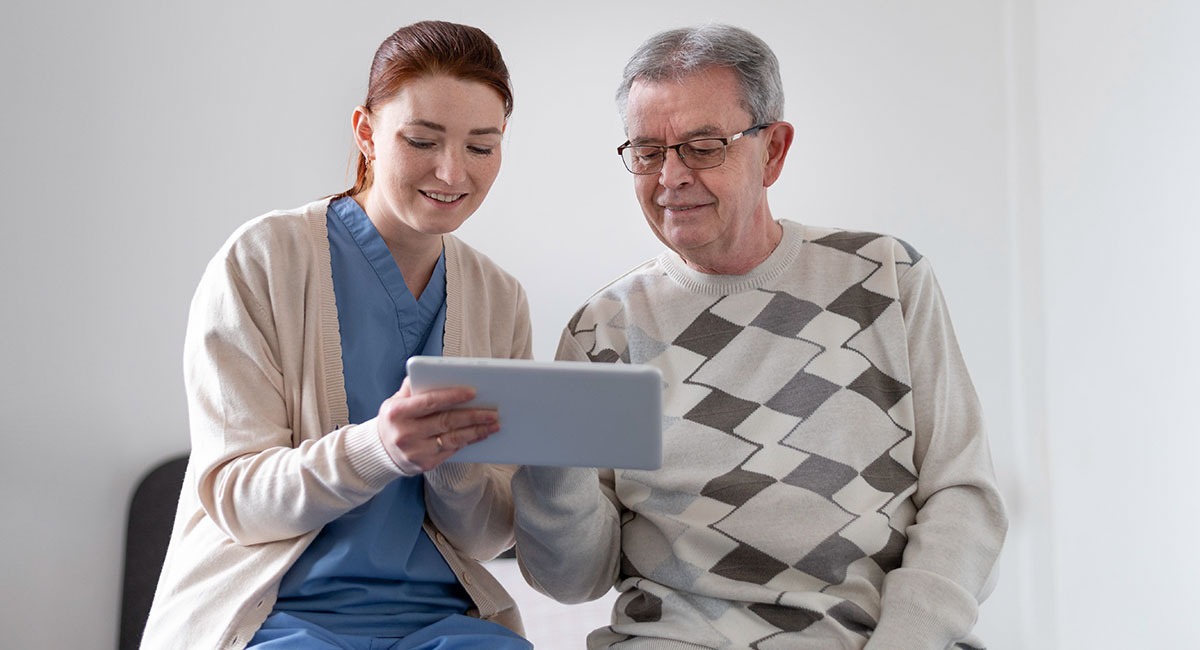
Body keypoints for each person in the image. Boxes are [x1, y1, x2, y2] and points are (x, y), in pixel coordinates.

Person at [512, 24, 1007, 650]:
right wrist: (553, 471)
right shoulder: (601, 331)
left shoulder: (886, 278)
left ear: (773, 150)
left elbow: (962, 494)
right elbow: (574, 580)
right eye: (646, 151)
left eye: (702, 146)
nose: (670, 177)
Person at [141, 21, 534, 650]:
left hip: (439, 622)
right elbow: (238, 498)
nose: (451, 171)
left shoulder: (499, 300)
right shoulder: (263, 260)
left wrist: (453, 467)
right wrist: (380, 448)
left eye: (481, 148)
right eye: (421, 140)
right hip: (274, 615)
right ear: (365, 133)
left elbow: (486, 539)